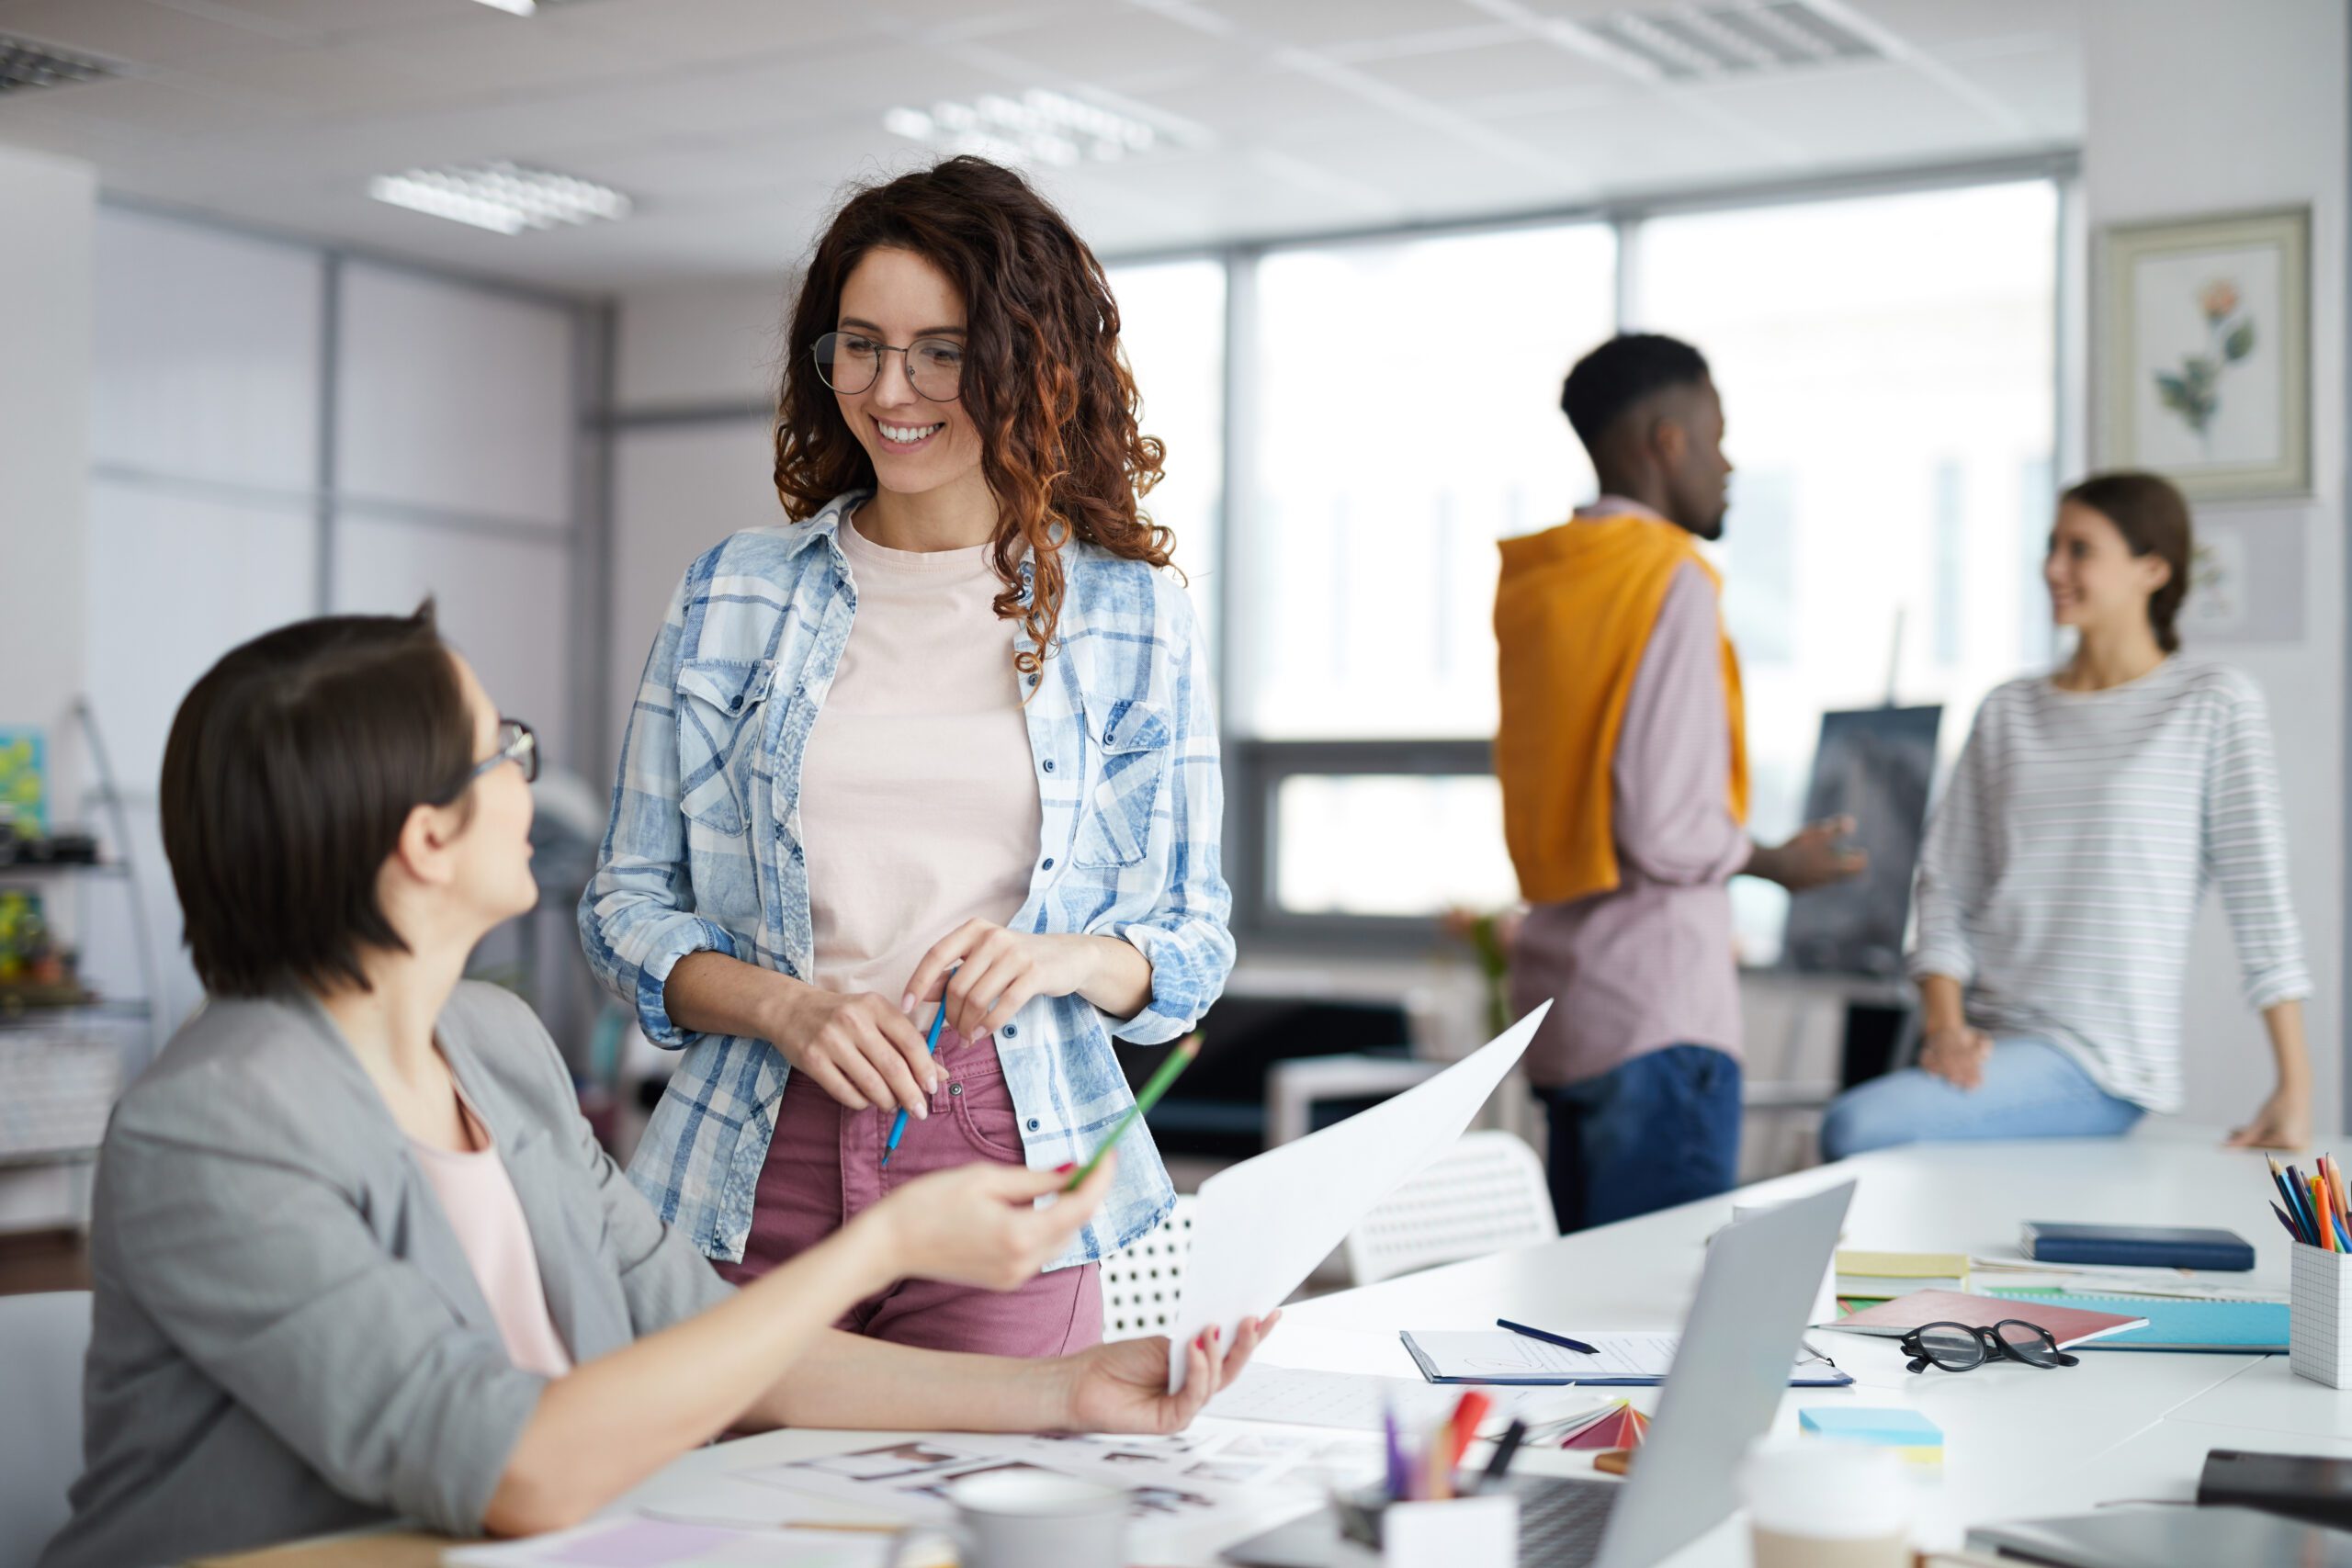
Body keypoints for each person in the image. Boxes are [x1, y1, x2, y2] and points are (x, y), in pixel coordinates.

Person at [40, 608, 1270, 1568]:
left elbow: (714, 1343)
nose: (531, 775)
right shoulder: (213, 1126)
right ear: (425, 840)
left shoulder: (495, 1044)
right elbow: (509, 1465)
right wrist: (883, 1240)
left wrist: (1063, 1389)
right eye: (505, 748)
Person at [581, 156, 1230, 1358]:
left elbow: (1189, 948)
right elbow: (623, 909)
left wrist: (1060, 958)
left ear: (1027, 362)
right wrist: (787, 1005)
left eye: (942, 349)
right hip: (747, 1144)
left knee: (983, 1521)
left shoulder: (1132, 616)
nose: (893, 389)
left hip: (1009, 1143)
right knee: (723, 1531)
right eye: (861, 345)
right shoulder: (733, 592)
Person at [1818, 471, 2312, 1158]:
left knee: (1856, 1126)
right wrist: (1946, 1026)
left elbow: (2261, 903)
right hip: (1984, 1045)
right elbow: (1946, 884)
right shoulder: (2008, 710)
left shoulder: (2212, 704)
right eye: (2051, 546)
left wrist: (2295, 1087)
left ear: (2153, 568)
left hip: (2099, 1063)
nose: (2053, 567)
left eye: (2081, 549)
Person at [1495, 333, 1864, 1232]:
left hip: (1569, 1012)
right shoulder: (1671, 580)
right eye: (1716, 436)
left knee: (1581, 1332)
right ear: (1666, 442)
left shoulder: (1542, 581)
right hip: (1660, 1016)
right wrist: (1769, 860)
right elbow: (1664, 826)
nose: (1727, 464)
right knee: (1656, 1324)